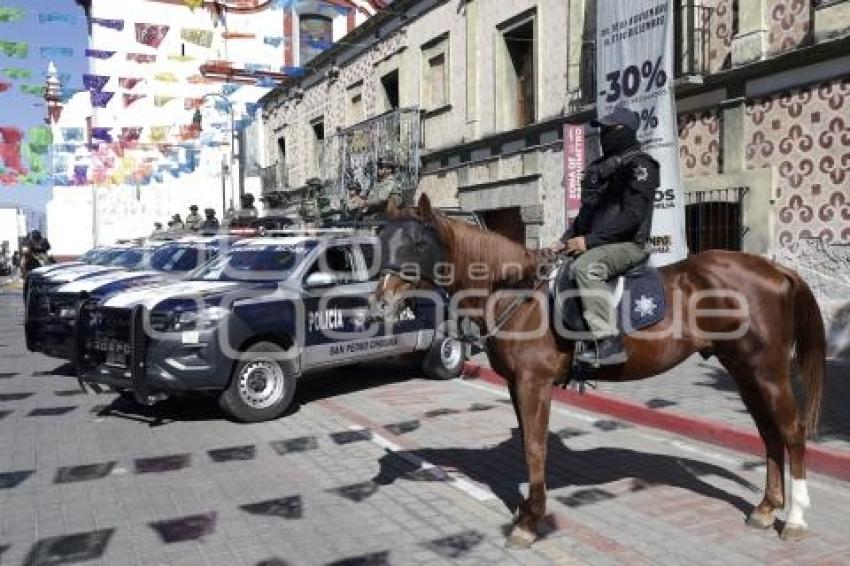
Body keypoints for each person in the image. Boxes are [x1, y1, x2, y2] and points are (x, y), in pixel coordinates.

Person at [550, 107, 659, 366]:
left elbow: (632, 216)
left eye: (611, 129)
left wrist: (588, 241)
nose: (604, 134)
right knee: (553, 268)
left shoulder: (640, 165)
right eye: (603, 129)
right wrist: (562, 241)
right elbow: (585, 215)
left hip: (628, 245)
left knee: (586, 268)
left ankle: (608, 341)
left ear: (627, 131)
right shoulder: (600, 167)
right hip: (597, 243)